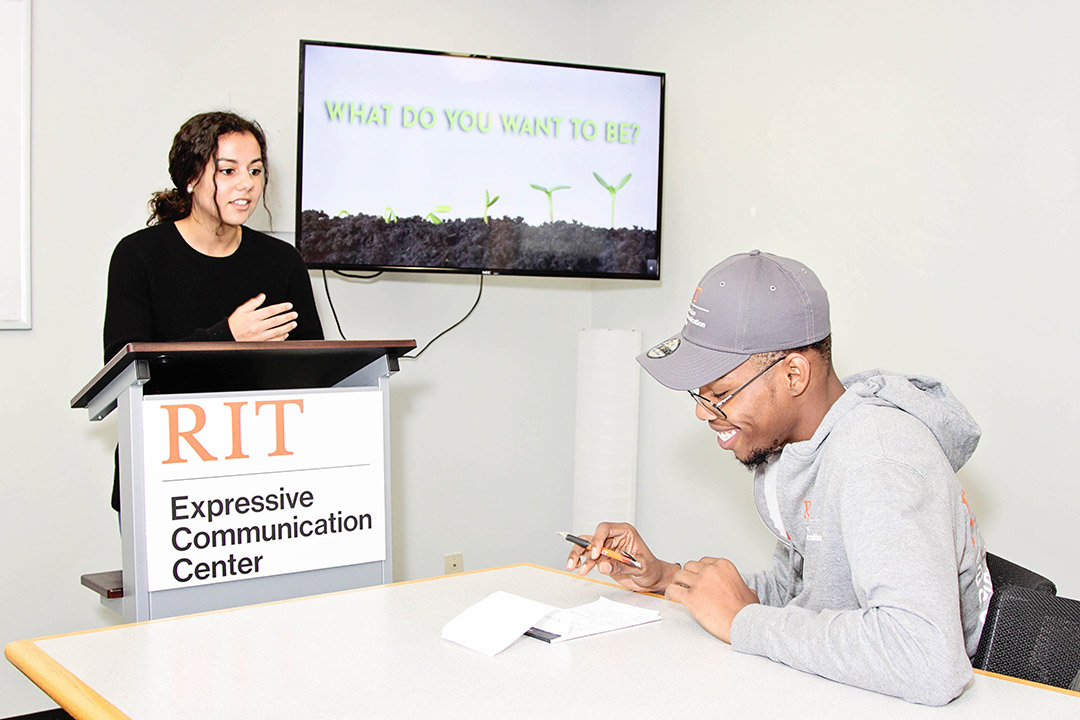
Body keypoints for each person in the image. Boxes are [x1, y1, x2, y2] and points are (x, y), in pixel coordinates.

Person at [566, 250, 992, 706]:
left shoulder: (879, 460)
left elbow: (925, 658)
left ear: (793, 373)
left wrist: (743, 620)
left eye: (721, 393)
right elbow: (807, 598)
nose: (701, 411)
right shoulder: (802, 451)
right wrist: (667, 579)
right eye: (701, 394)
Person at [103, 111, 324, 513]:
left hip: (265, 478)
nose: (247, 184)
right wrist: (227, 335)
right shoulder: (138, 256)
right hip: (164, 474)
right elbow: (122, 374)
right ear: (190, 178)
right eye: (228, 170)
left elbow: (318, 371)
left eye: (256, 171)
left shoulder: (282, 261)